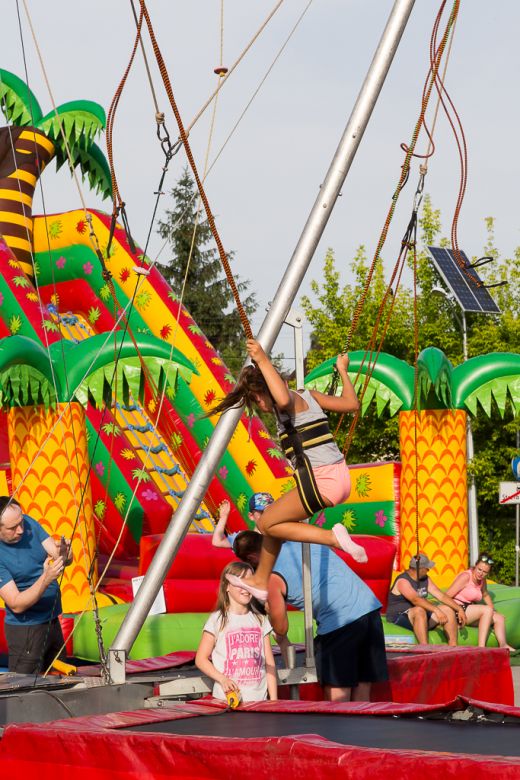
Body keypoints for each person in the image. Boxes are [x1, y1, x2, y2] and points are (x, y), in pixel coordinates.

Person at [209, 338, 366, 602]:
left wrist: (261, 358)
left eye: (256, 400)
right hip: (336, 477)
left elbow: (281, 397)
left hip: (322, 480)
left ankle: (333, 537)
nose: (259, 407)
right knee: (273, 526)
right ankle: (260, 580)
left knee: (268, 522)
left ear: (262, 393)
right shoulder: (310, 395)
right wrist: (343, 370)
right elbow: (352, 404)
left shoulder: (289, 399)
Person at [234, 530, 388, 702]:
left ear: (252, 558)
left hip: (340, 621)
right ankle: (361, 725)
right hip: (370, 608)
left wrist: (270, 608)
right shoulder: (302, 541)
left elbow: (281, 628)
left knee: (338, 691)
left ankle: (341, 726)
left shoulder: (271, 576)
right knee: (363, 683)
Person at [0, 496, 72, 673]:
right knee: (25, 691)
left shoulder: (28, 524)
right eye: (12, 528)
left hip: (52, 621)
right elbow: (16, 604)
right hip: (26, 631)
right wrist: (46, 578)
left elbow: (59, 556)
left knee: (61, 679)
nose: (21, 530)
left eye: (21, 522)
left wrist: (65, 553)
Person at [195, 561, 277, 702]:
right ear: (227, 586)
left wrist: (274, 700)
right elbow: (201, 659)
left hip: (258, 701)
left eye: (249, 583)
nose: (246, 588)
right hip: (227, 700)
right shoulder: (217, 620)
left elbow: (269, 663)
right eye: (240, 583)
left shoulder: (260, 621)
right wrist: (223, 679)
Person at [386, 553, 466, 646]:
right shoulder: (403, 581)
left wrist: (459, 609)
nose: (428, 570)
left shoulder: (425, 578)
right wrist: (436, 610)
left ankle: (453, 647)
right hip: (400, 617)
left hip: (422, 616)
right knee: (419, 610)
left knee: (447, 609)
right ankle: (425, 648)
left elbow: (441, 595)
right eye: (427, 568)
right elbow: (415, 600)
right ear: (419, 569)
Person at [445, 553, 515, 651]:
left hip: (469, 610)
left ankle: (503, 644)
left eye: (485, 572)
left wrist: (494, 610)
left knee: (498, 617)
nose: (481, 573)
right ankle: (481, 647)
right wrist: (456, 609)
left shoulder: (482, 580)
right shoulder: (466, 577)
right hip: (457, 609)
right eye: (479, 569)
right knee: (487, 610)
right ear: (475, 566)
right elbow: (447, 595)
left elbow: (485, 594)